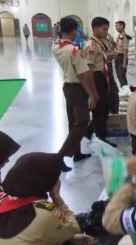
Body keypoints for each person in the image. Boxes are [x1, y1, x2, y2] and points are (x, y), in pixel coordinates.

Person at [52, 17, 98, 163]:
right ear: (74, 31)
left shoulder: (56, 46)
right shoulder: (74, 50)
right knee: (82, 121)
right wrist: (92, 94)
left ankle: (76, 153)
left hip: (67, 86)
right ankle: (60, 157)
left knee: (73, 122)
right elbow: (82, 75)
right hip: (77, 88)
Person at [84, 17, 115, 145]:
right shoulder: (91, 46)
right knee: (100, 111)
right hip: (96, 79)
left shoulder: (98, 43)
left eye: (107, 29)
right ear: (95, 29)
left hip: (102, 77)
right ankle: (101, 140)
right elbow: (89, 70)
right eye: (104, 29)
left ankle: (89, 131)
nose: (106, 32)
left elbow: (100, 60)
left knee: (105, 108)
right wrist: (93, 92)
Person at [114, 20, 129, 87]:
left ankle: (125, 89)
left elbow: (126, 49)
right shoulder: (119, 36)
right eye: (115, 26)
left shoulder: (125, 36)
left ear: (122, 26)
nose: (116, 28)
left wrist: (124, 61)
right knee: (118, 75)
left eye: (117, 26)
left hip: (122, 57)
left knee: (122, 75)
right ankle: (123, 88)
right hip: (117, 56)